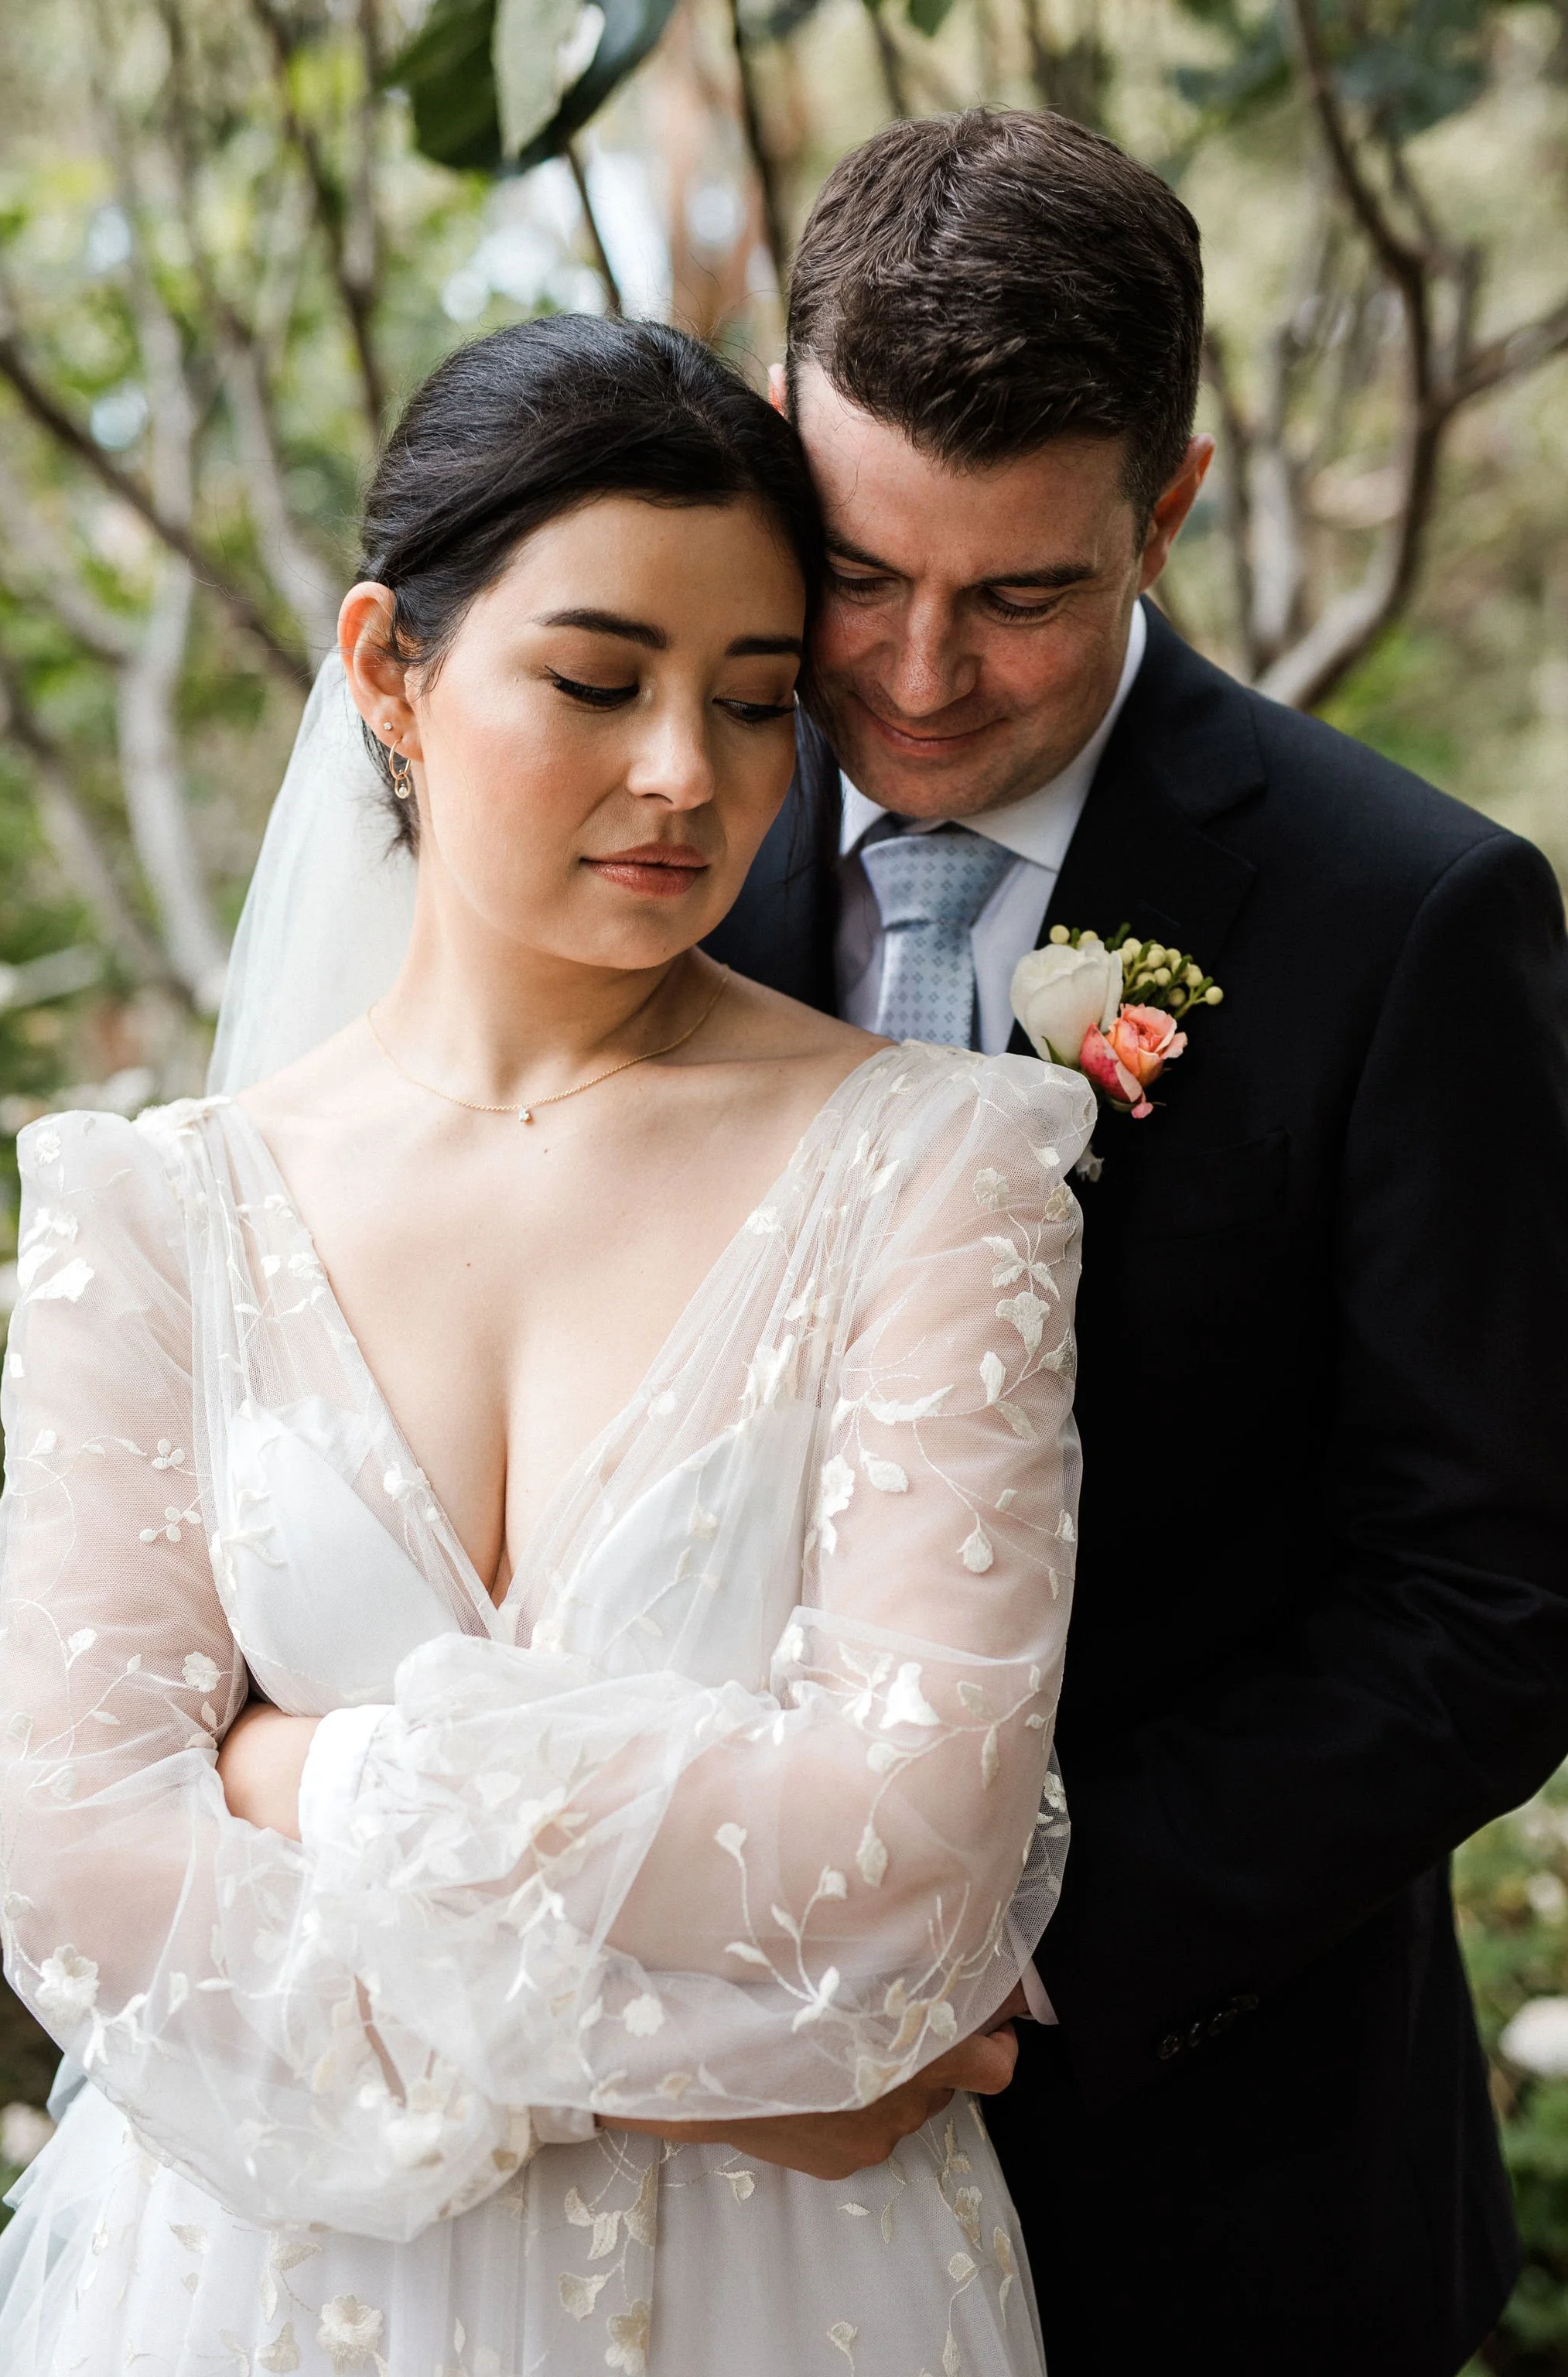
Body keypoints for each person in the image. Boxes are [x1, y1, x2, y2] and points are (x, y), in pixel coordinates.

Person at [0, 316, 1093, 2376]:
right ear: (390, 669)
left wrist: (315, 1777)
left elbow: (913, 1854)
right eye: (598, 681)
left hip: (785, 2304)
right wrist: (689, 2076)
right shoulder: (152, 1217)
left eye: (756, 705)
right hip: (247, 2280)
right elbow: (85, 1884)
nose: (688, 775)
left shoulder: (941, 1168)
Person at [702, 105, 1568, 2377]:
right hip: (694, 2187)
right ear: (784, 437)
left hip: (1213, 2181)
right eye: (860, 570)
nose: (912, 674)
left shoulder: (1416, 924)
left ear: (1166, 508)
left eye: (1022, 594)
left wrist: (1015, 1950)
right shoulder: (650, 828)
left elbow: (1493, 1593)